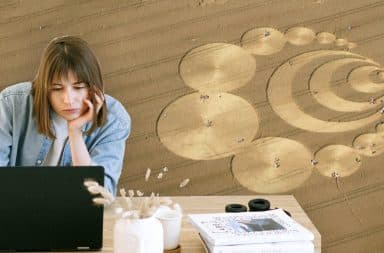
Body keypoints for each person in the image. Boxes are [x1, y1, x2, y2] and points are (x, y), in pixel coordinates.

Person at [0, 36, 131, 195]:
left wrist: (75, 133)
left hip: (75, 217)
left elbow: (98, 196)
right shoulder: (11, 104)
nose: (68, 99)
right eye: (56, 88)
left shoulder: (114, 120)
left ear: (93, 88)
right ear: (44, 87)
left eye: (78, 87)